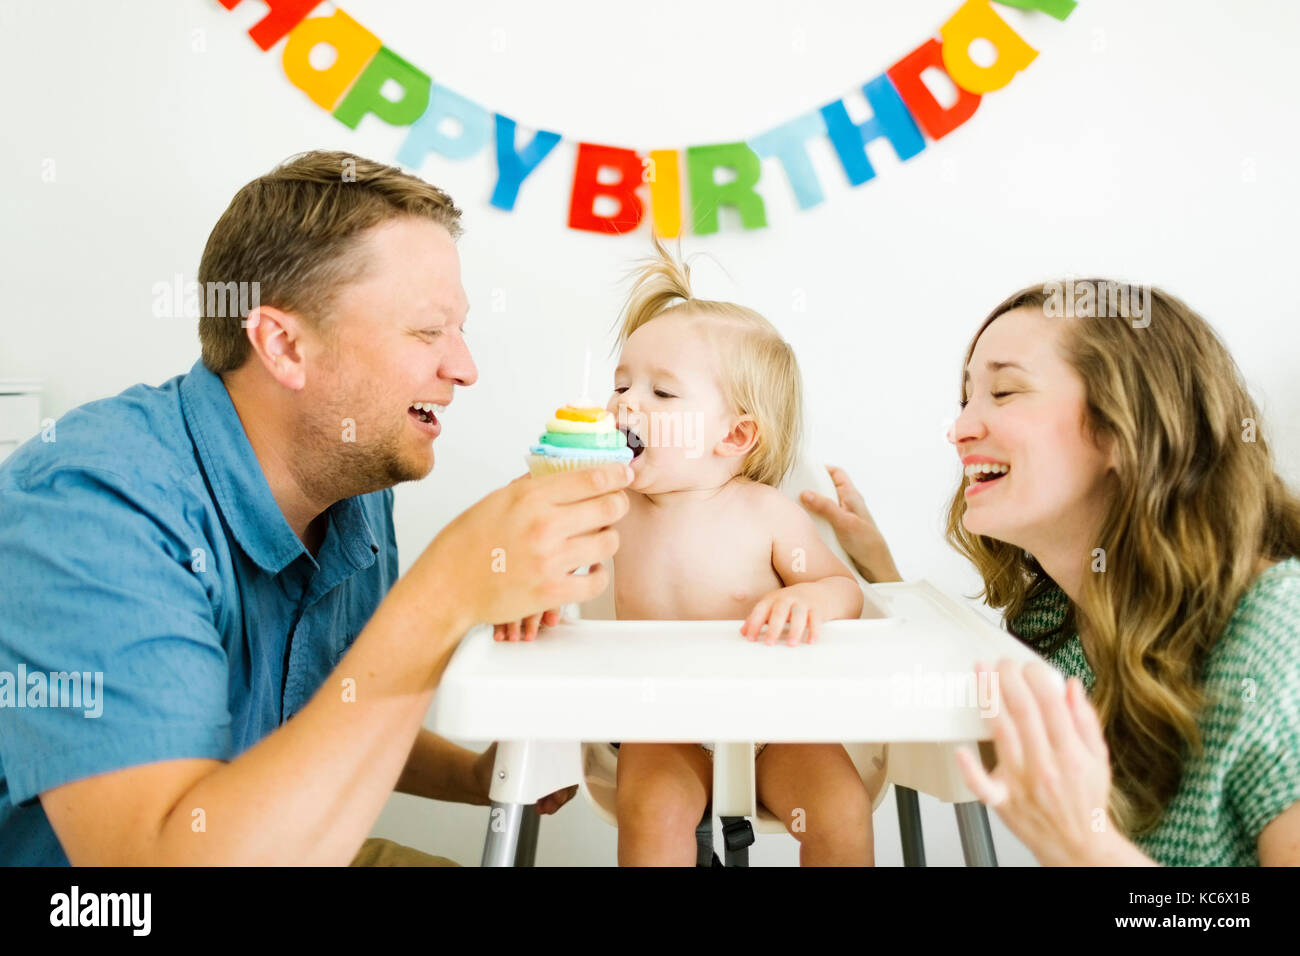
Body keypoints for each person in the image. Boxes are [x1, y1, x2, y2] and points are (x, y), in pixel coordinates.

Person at [0, 150, 631, 865]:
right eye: (427, 331)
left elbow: (323, 713)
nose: (464, 367)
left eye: (459, 330)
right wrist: (445, 589)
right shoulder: (93, 506)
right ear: (283, 345)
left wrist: (473, 777)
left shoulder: (356, 485)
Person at [802, 281, 1300, 865]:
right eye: (966, 398)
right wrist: (879, 576)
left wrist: (1086, 847)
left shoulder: (1279, 634)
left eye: (1005, 392)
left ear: (1123, 429)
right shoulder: (1056, 627)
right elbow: (954, 718)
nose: (959, 427)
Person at [503, 238, 874, 866]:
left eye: (661, 394)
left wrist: (808, 597)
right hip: (662, 722)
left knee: (842, 810)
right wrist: (524, 585)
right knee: (651, 813)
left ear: (734, 434)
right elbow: (550, 567)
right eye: (621, 383)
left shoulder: (768, 514)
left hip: (777, 725)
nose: (624, 402)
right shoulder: (610, 509)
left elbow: (845, 590)